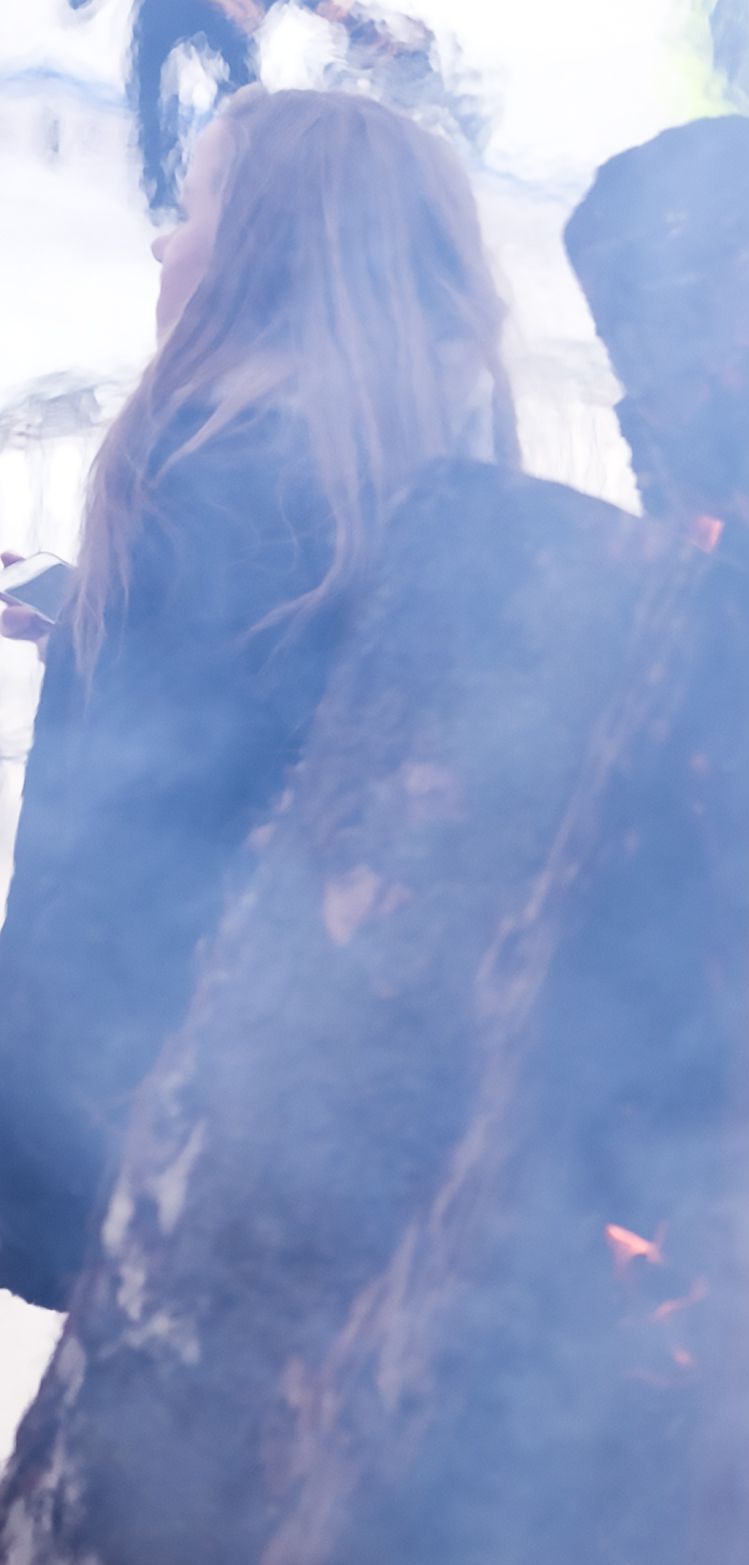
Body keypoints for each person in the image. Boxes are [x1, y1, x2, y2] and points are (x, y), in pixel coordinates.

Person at [0, 88, 519, 1310]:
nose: (161, 245)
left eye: (192, 210)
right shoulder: (419, 484)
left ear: (266, 256)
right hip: (328, 1150)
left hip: (133, 1124)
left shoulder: (204, 481)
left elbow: (127, 866)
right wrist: (87, 613)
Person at [67, 0, 386, 214]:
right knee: (246, 100)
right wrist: (364, 30)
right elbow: (321, 0)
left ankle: (159, 190)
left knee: (150, 99)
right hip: (221, 16)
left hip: (159, 3)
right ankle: (255, 176)